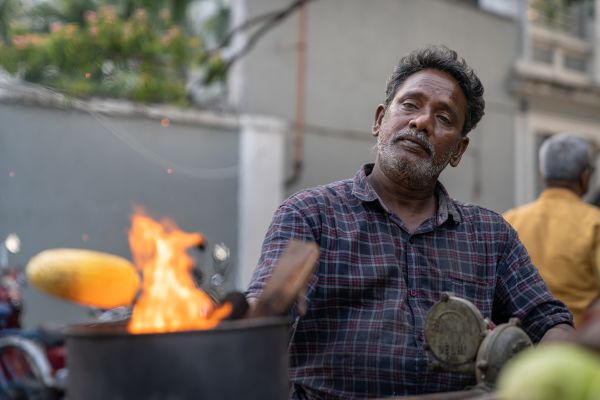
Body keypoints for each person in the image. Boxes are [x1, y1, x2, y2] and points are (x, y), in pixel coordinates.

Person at [246, 45, 574, 399]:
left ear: (458, 152)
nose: (421, 122)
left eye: (444, 118)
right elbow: (264, 315)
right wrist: (245, 320)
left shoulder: (491, 236)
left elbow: (549, 322)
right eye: (410, 105)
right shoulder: (311, 215)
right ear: (379, 120)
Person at [504, 133, 600, 327]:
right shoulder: (595, 223)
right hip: (578, 344)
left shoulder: (510, 220)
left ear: (542, 173)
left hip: (521, 345)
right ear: (585, 176)